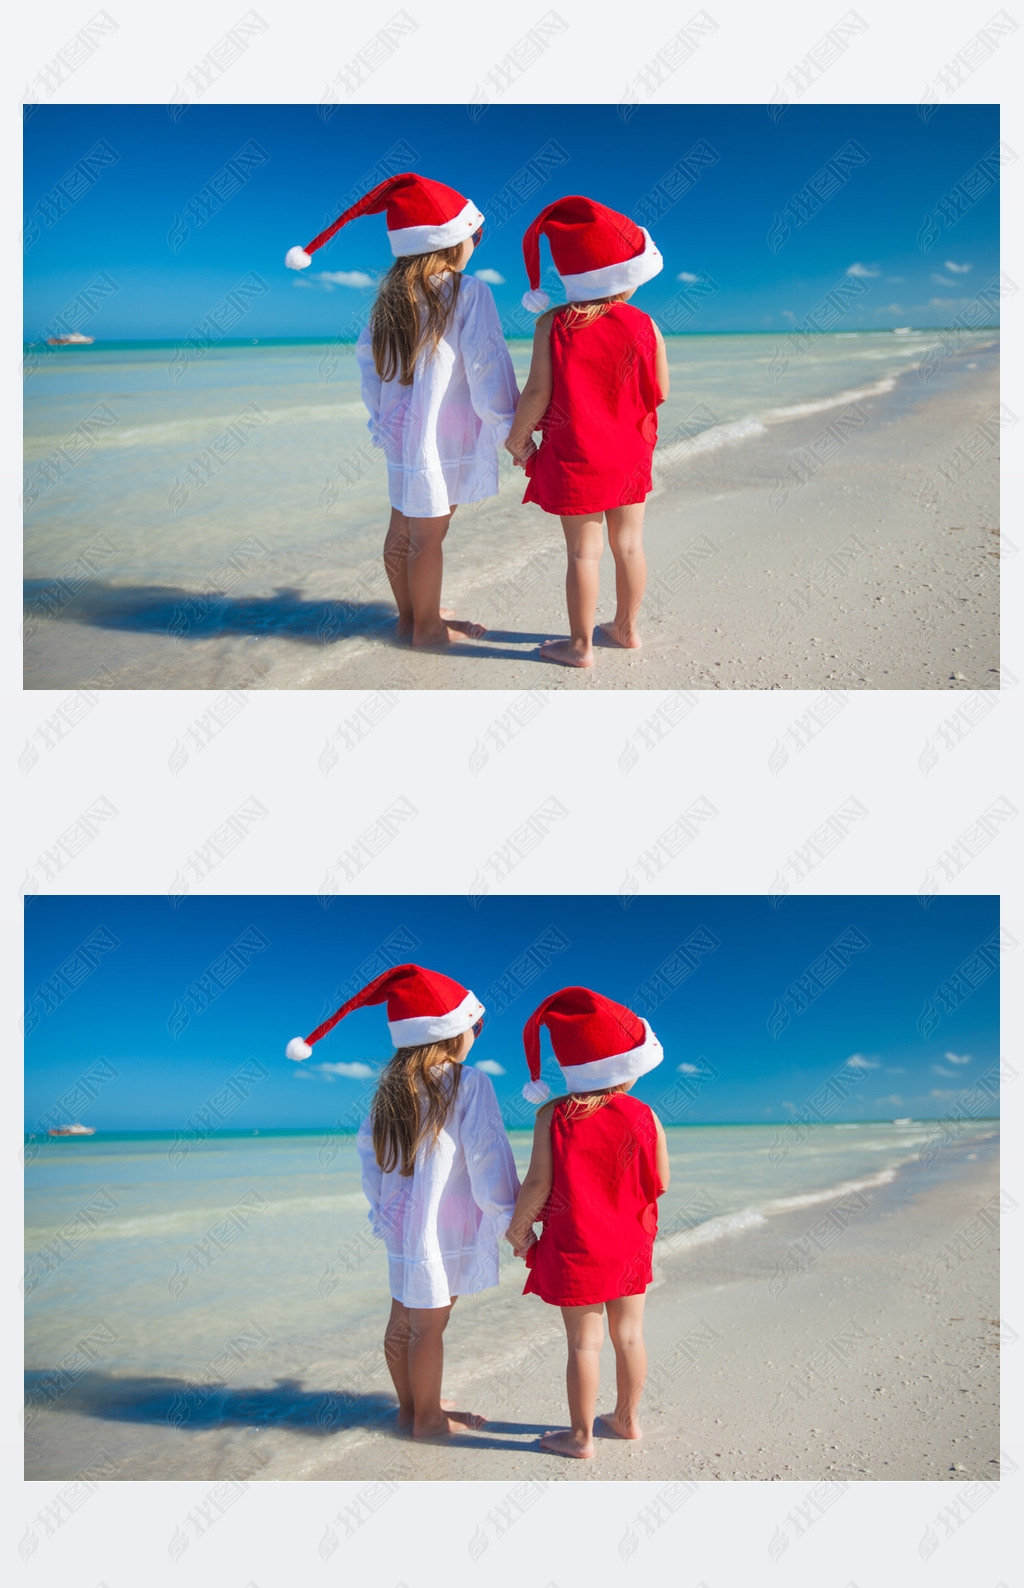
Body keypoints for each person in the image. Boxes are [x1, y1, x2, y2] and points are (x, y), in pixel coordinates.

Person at [286, 963, 519, 1438]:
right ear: (451, 1033)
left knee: (402, 1320)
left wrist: (382, 1214)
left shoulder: (390, 1092)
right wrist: (508, 1216)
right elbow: (487, 1156)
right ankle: (428, 1420)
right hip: (445, 1226)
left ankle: (410, 1407)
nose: (476, 1033)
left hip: (403, 1226)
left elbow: (370, 1161)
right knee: (429, 1327)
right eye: (473, 1025)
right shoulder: (470, 1083)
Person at [286, 173, 520, 646]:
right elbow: (486, 365)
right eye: (472, 234)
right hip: (445, 435)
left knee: (402, 528)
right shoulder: (469, 292)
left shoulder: (389, 301)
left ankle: (410, 615)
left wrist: (382, 423)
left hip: (404, 434)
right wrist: (508, 425)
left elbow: (368, 369)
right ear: (450, 242)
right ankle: (428, 629)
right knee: (429, 536)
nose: (475, 243)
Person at [504, 196, 670, 668]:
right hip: (630, 451)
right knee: (630, 544)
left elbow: (537, 393)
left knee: (583, 551)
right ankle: (626, 628)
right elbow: (661, 390)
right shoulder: (646, 324)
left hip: (577, 453)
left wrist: (518, 438)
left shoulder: (553, 324)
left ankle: (580, 647)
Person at [505, 987, 670, 1459]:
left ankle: (580, 1437)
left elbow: (537, 1183)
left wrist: (520, 1229)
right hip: (630, 1242)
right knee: (630, 1335)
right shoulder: (646, 1115)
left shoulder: (554, 1115)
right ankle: (627, 1419)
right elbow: (662, 1181)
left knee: (584, 1342)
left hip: (576, 1243)